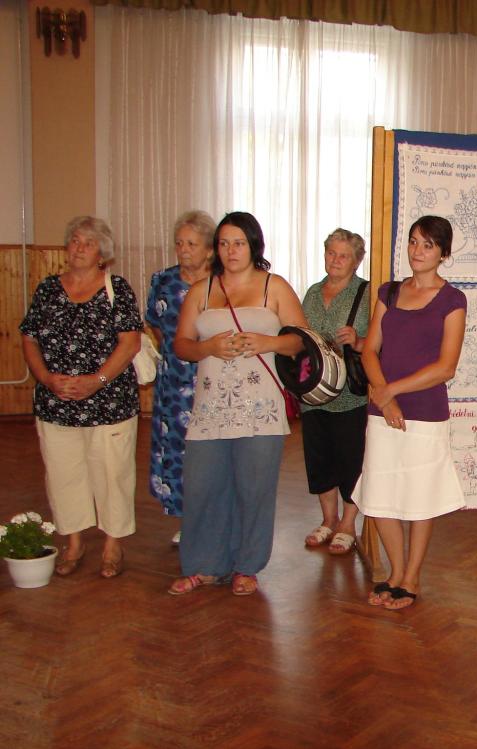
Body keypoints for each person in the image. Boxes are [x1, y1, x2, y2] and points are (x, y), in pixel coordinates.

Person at [168, 211, 307, 596]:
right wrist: (207, 347)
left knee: (254, 489)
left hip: (261, 409)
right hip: (210, 408)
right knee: (203, 487)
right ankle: (205, 566)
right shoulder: (201, 291)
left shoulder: (274, 287)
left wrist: (268, 342)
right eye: (224, 243)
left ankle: (247, 566)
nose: (231, 251)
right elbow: (181, 345)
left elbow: (302, 339)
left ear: (254, 246)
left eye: (239, 243)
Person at [19, 216, 142, 579]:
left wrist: (96, 381)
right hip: (56, 401)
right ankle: (74, 542)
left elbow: (130, 343)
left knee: (112, 475)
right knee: (63, 474)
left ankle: (112, 545)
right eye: (74, 240)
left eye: (88, 243)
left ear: (102, 253)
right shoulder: (48, 289)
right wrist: (46, 378)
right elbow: (29, 337)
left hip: (109, 402)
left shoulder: (117, 289)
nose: (79, 247)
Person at [356, 215, 467, 610]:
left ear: (444, 254)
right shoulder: (388, 292)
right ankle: (395, 572)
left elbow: (446, 367)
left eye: (428, 245)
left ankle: (412, 577)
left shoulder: (452, 300)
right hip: (383, 410)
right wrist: (384, 399)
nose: (418, 251)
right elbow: (369, 350)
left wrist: (392, 391)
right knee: (380, 492)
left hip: (424, 412)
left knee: (420, 496)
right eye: (414, 242)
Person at [145, 210, 215, 545]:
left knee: (212, 453)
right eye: (179, 243)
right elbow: (156, 326)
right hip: (174, 381)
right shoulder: (163, 281)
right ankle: (189, 520)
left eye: (191, 244)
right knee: (177, 449)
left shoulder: (222, 283)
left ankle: (216, 519)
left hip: (213, 380)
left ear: (209, 249)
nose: (183, 249)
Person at [300, 229, 369, 554]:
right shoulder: (312, 293)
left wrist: (357, 340)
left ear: (357, 261)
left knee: (350, 460)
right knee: (320, 458)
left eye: (344, 255)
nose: (336, 260)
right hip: (314, 392)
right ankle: (329, 519)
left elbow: (381, 343)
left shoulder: (366, 294)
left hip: (350, 395)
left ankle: (348, 523)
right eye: (331, 253)